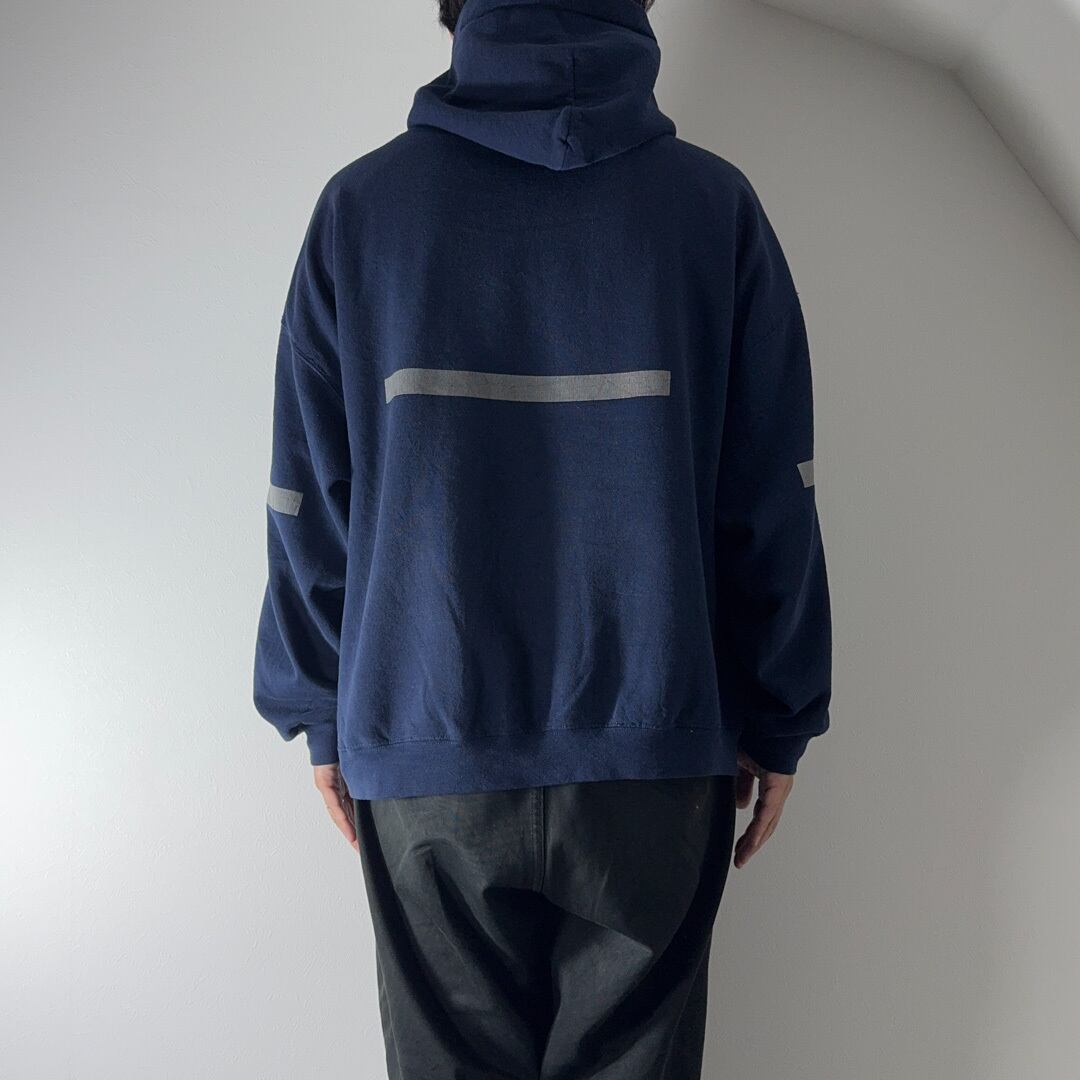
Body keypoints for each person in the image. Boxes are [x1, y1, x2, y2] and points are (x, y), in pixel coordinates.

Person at [252, 0, 832, 1074]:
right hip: (654, 751)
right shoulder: (712, 207)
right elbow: (773, 493)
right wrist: (781, 713)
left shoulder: (362, 210)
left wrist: (317, 708)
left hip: (425, 744)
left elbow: (306, 497)